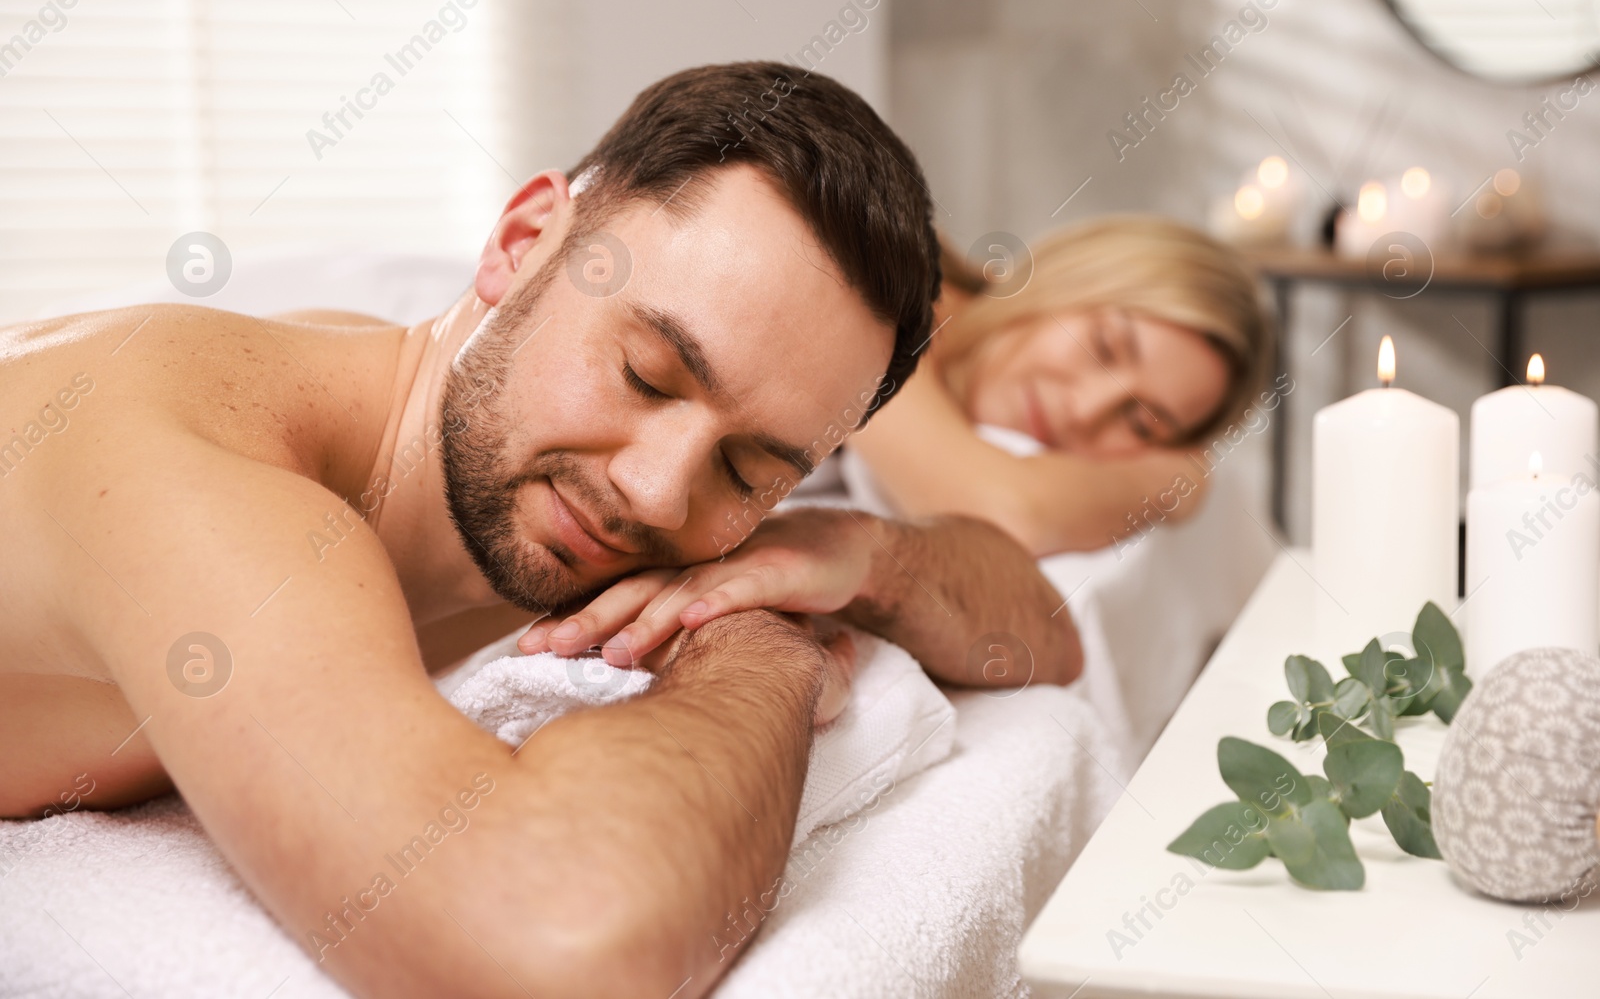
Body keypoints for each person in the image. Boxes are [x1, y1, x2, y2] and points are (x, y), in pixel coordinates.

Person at [0, 62, 1080, 999]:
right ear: (521, 243)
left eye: (751, 468)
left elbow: (1039, 626)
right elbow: (553, 948)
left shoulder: (519, 468)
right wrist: (763, 649)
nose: (659, 495)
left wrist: (856, 553)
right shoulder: (198, 473)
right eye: (644, 373)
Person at [845, 216, 1274, 557]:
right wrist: (1164, 480)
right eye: (1104, 347)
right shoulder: (889, 294)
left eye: (1142, 424)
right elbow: (1003, 514)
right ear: (1064, 274)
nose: (1086, 410)